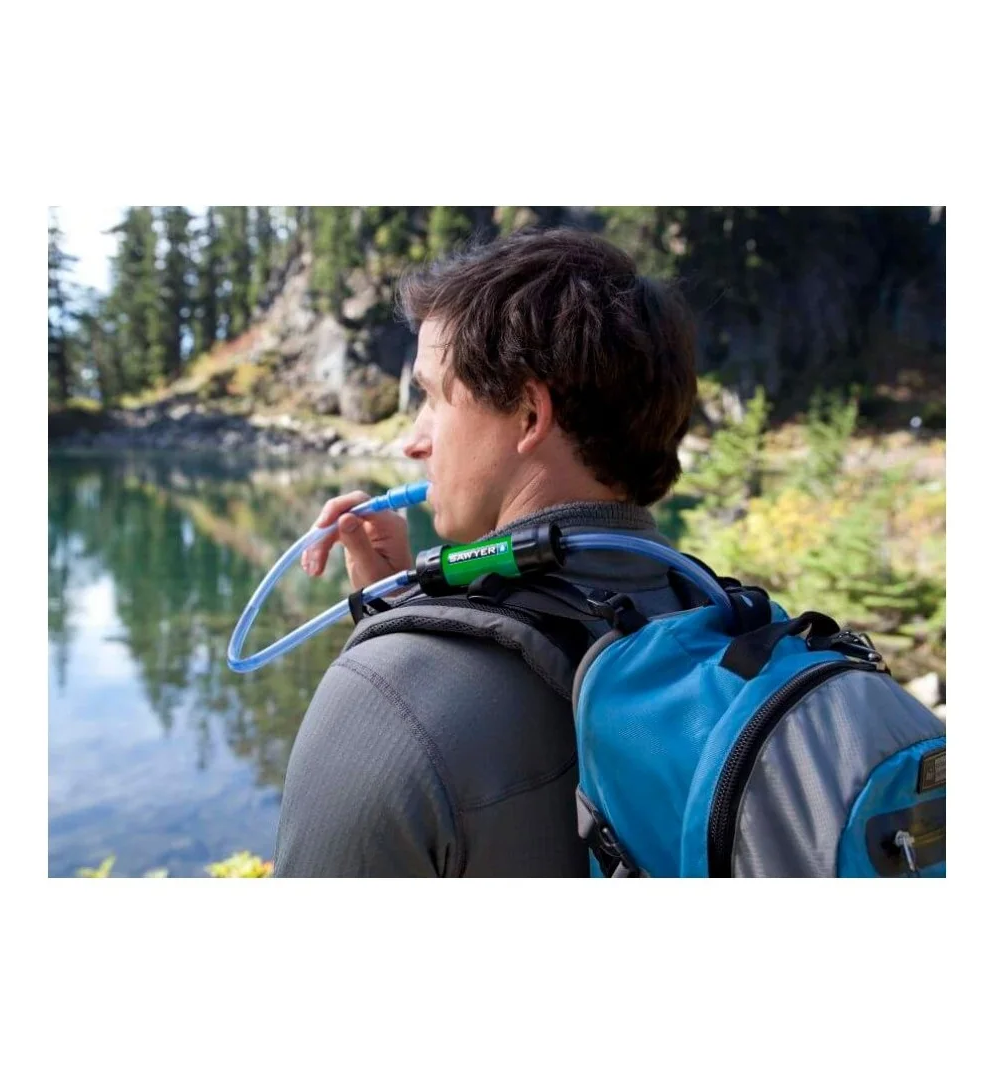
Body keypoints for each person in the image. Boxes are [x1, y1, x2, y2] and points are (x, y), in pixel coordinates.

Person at [273, 227, 699, 877]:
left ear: (529, 415)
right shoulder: (717, 618)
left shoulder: (386, 698)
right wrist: (399, 610)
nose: (413, 443)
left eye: (432, 397)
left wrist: (393, 661)